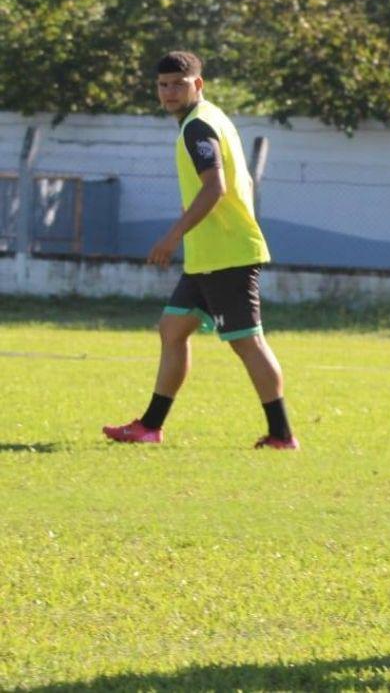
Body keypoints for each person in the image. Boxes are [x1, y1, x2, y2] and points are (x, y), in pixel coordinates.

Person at [103, 51, 298, 450]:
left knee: (247, 342)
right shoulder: (206, 118)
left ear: (198, 83)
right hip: (207, 256)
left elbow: (215, 187)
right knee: (172, 329)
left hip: (227, 254)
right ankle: (150, 427)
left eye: (178, 83)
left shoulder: (198, 127)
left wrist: (172, 235)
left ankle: (282, 435)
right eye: (163, 85)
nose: (170, 92)